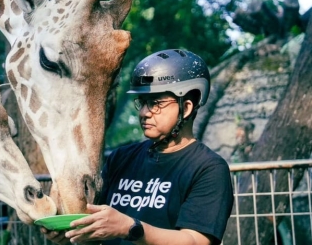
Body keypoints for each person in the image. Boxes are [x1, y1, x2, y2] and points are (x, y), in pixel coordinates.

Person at [42, 49, 233, 244]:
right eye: (142, 103)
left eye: (156, 103)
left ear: (186, 108)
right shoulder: (121, 158)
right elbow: (99, 228)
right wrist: (69, 234)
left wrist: (130, 228)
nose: (144, 112)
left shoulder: (208, 169)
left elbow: (195, 241)